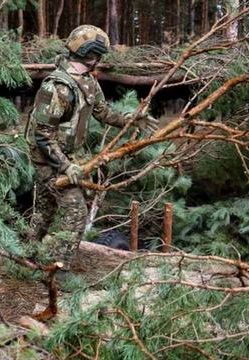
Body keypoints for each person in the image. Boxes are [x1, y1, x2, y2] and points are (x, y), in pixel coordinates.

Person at [26, 25, 159, 273]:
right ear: (93, 55)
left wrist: (131, 119)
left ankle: (27, 257)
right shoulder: (56, 87)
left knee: (45, 209)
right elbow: (42, 136)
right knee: (76, 213)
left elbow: (103, 112)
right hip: (48, 160)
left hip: (66, 155)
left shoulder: (87, 82)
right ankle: (56, 270)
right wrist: (66, 166)